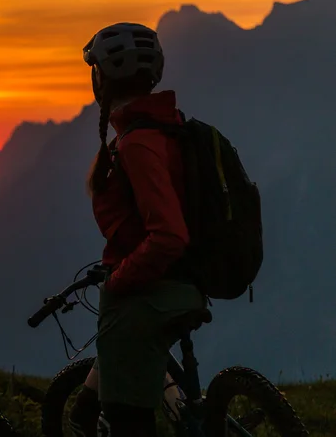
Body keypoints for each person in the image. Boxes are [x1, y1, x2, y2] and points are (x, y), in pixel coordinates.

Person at [67, 23, 206, 437]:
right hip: (177, 284)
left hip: (148, 296)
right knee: (91, 410)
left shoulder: (138, 143)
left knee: (127, 423)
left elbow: (169, 235)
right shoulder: (166, 126)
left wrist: (119, 282)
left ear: (102, 78)